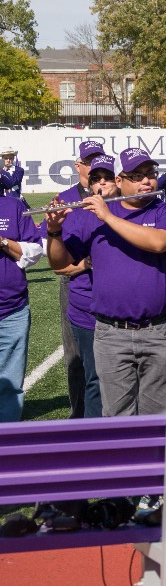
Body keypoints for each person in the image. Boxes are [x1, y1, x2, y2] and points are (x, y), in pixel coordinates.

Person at [46, 147, 166, 417]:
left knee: (158, 416)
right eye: (136, 176)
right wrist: (54, 231)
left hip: (158, 331)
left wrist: (108, 217)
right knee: (116, 417)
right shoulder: (91, 216)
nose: (146, 181)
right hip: (110, 333)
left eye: (150, 174)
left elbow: (159, 243)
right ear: (120, 181)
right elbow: (59, 263)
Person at [53, 153, 120, 419]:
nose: (101, 182)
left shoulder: (131, 211)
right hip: (86, 306)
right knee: (90, 374)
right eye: (96, 178)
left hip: (122, 309)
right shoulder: (77, 212)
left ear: (118, 180)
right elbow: (59, 265)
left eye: (107, 177)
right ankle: (89, 426)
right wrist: (54, 231)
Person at [0, 172, 43, 422]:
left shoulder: (14, 206)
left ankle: (7, 431)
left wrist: (3, 242)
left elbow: (35, 251)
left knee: (9, 382)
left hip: (11, 309)